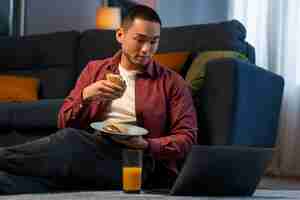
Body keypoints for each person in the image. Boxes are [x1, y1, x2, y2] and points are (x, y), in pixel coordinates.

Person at [0, 5, 197, 194]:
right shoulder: (95, 70)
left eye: (154, 41)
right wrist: (86, 96)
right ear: (120, 35)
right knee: (14, 181)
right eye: (140, 39)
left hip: (140, 160)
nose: (146, 49)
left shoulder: (172, 82)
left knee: (69, 141)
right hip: (95, 148)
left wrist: (146, 145)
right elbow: (64, 121)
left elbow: (187, 138)